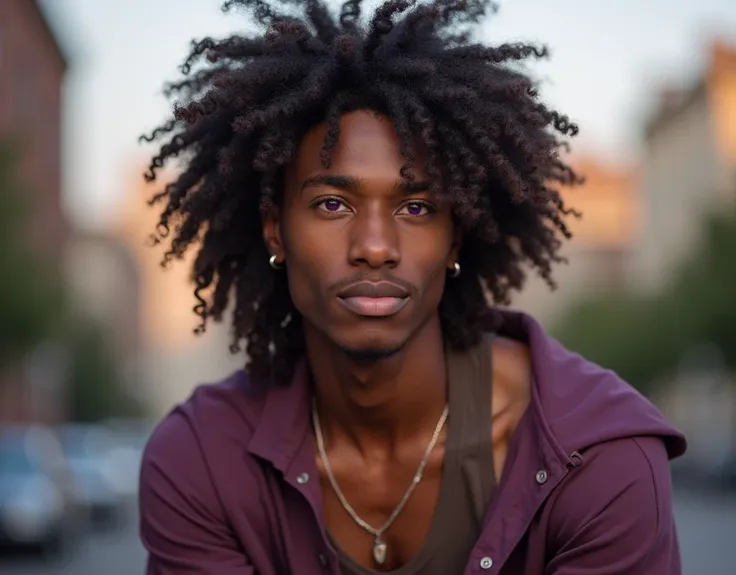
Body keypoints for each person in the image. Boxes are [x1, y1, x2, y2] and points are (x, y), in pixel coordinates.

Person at [138, 0, 687, 573]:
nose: (375, 245)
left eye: (417, 206)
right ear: (276, 230)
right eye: (332, 203)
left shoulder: (599, 457)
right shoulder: (200, 460)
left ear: (454, 240)